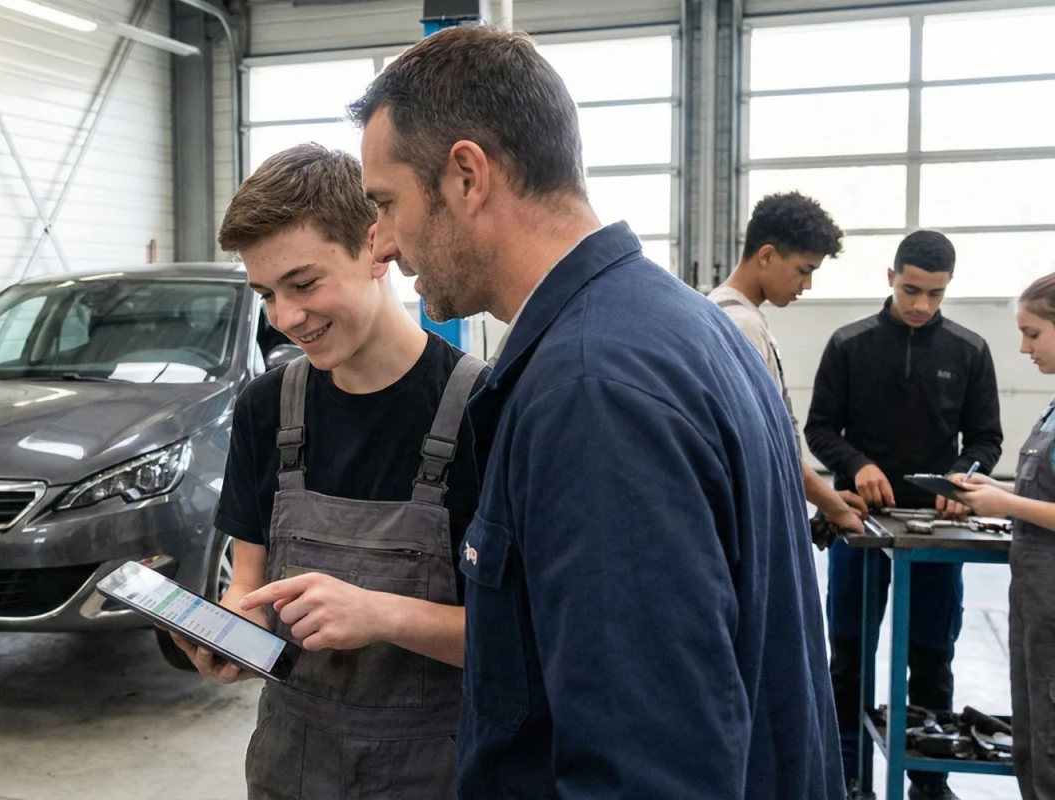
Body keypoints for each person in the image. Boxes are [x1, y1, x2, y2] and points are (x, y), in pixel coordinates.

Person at [345, 24, 841, 798]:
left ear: (467, 175)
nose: (379, 246)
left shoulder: (591, 389)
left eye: (386, 203)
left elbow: (647, 769)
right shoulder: (674, 324)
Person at [176, 143, 486, 800]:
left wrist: (382, 614)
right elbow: (250, 589)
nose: (286, 318)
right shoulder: (267, 409)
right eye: (266, 293)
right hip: (291, 767)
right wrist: (231, 636)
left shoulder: (485, 412)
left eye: (304, 283)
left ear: (376, 247)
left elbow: (524, 645)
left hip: (436, 773)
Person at [805, 229, 1003, 800]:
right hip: (857, 524)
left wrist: (963, 473)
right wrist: (856, 462)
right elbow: (820, 428)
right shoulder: (849, 343)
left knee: (932, 658)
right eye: (912, 289)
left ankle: (929, 780)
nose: (921, 305)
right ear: (890, 277)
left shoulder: (969, 351)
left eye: (935, 295)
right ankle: (844, 772)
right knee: (849, 656)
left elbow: (986, 437)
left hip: (941, 532)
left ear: (947, 290)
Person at [950, 272, 1055, 800]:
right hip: (1036, 602)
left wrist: (1006, 504)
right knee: (1032, 740)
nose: (1023, 346)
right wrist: (997, 488)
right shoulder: (1053, 409)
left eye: (1033, 333)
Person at [710, 191, 867, 536]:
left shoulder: (726, 314)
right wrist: (834, 507)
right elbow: (768, 442)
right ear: (766, 255)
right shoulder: (742, 325)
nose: (807, 285)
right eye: (803, 270)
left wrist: (828, 498)